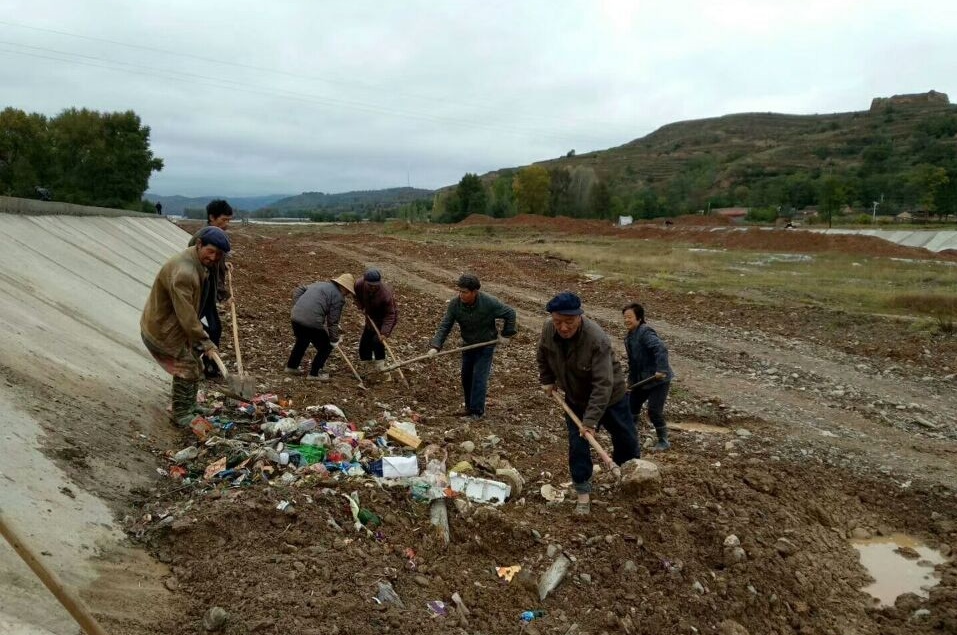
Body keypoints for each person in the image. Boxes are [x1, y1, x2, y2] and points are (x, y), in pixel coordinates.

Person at [538, 292, 639, 515]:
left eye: (569, 322)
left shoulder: (596, 339)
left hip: (611, 397)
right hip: (575, 398)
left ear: (579, 317)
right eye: (558, 322)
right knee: (578, 445)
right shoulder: (548, 329)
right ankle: (583, 491)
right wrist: (547, 380)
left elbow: (603, 384)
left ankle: (629, 478)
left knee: (626, 439)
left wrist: (590, 421)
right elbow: (543, 355)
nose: (563, 328)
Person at [141, 226, 230, 427]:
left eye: (218, 254)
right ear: (199, 245)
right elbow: (186, 313)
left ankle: (190, 406)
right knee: (187, 366)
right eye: (210, 251)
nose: (213, 257)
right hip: (162, 329)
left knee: (195, 364)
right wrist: (205, 341)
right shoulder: (185, 272)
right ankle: (181, 413)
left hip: (172, 326)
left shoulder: (196, 260)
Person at [429, 274, 516, 419]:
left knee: (479, 378)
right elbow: (445, 325)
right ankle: (469, 408)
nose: (461, 295)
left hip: (485, 345)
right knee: (466, 377)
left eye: (465, 292)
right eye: (460, 291)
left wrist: (506, 334)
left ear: (474, 292)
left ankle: (477, 411)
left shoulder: (489, 303)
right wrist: (436, 346)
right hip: (468, 345)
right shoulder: (455, 304)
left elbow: (510, 313)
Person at [187, 199, 234, 378]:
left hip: (209, 292)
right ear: (212, 218)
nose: (227, 224)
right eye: (224, 220)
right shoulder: (203, 238)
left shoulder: (218, 237)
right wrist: (224, 295)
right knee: (205, 327)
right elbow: (205, 267)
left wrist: (225, 265)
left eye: (229, 220)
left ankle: (210, 364)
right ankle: (201, 362)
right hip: (200, 292)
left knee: (215, 328)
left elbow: (217, 266)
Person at [622, 302, 674, 451]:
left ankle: (664, 441)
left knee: (654, 411)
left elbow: (661, 348)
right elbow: (633, 363)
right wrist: (630, 382)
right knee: (631, 406)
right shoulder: (630, 336)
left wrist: (662, 369)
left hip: (658, 379)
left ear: (639, 318)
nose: (626, 320)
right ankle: (631, 435)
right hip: (642, 380)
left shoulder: (645, 332)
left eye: (629, 317)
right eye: (624, 317)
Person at [284, 273, 355, 380]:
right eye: (348, 291)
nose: (348, 294)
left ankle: (291, 367)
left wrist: (298, 305)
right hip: (312, 322)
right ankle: (315, 373)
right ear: (344, 287)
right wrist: (334, 339)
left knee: (302, 341)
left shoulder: (319, 284)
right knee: (326, 347)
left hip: (295, 317)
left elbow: (299, 289)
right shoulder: (339, 297)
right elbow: (332, 321)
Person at [353, 268, 398, 377]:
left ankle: (380, 365)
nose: (373, 287)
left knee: (377, 341)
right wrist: (360, 305)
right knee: (365, 342)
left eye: (375, 285)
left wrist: (384, 332)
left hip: (385, 318)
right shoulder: (359, 284)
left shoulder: (385, 294)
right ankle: (366, 364)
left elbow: (390, 315)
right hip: (370, 315)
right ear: (365, 281)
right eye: (370, 285)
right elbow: (356, 295)